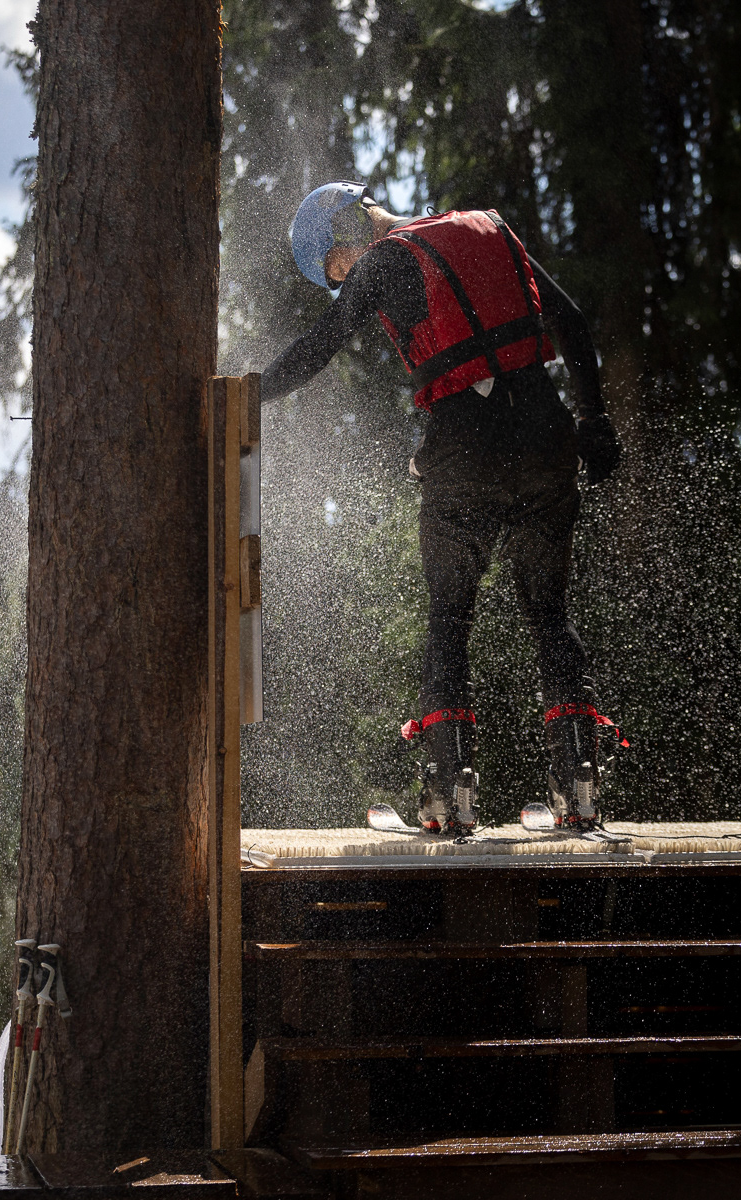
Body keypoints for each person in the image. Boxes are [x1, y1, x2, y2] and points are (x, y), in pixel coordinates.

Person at [259, 181, 623, 835]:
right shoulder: (488, 225)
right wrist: (594, 417)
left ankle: (446, 799)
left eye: (337, 268)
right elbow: (569, 320)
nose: (346, 281)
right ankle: (580, 791)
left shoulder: (383, 259)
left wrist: (249, 392)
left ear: (346, 230)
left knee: (449, 618)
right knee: (548, 614)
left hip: (464, 453)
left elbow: (321, 344)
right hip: (547, 439)